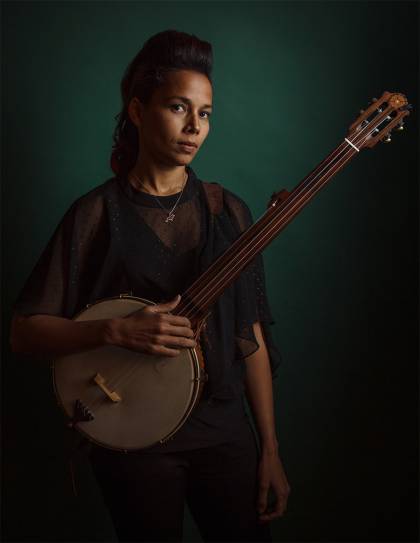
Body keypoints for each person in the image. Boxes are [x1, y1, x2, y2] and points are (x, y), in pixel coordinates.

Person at [10, 29, 290, 542]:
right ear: (138, 111)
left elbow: (250, 337)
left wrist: (269, 449)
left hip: (225, 433)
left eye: (204, 113)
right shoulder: (96, 214)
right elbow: (24, 334)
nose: (194, 127)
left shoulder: (227, 210)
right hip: (132, 433)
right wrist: (113, 331)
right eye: (178, 108)